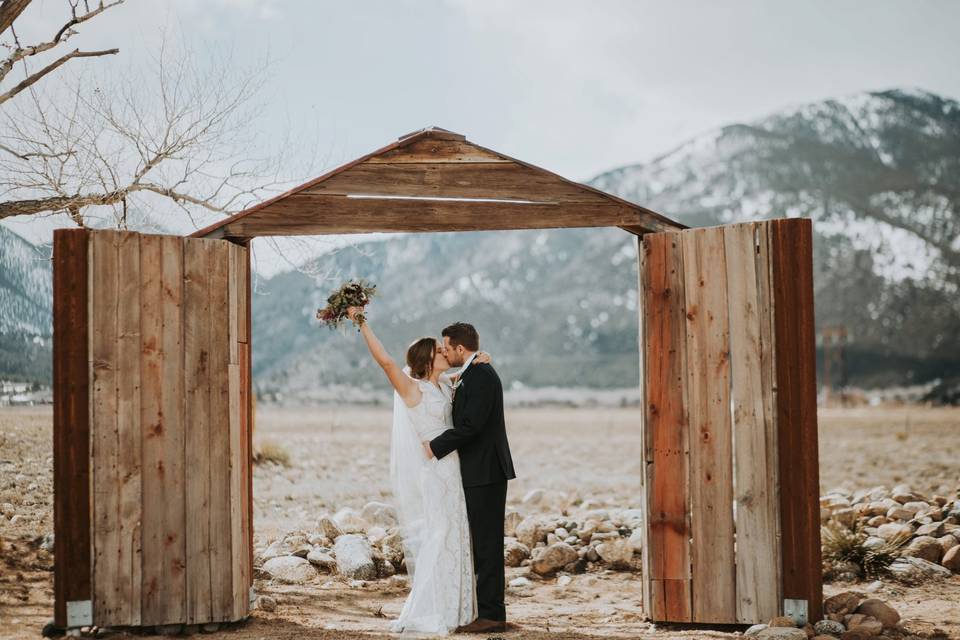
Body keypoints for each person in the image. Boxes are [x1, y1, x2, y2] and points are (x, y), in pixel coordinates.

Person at [346, 306, 491, 635]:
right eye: (439, 351)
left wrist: (480, 357)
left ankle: (458, 607)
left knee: (455, 535)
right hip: (436, 472)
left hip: (452, 470)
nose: (445, 352)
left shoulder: (442, 384)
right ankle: (433, 607)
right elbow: (385, 361)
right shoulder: (413, 389)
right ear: (427, 359)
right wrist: (361, 322)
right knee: (439, 536)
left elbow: (464, 369)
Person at [426, 322, 517, 634]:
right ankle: (489, 610)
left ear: (460, 349)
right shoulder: (471, 372)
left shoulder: (479, 375)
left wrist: (435, 447)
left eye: (447, 347)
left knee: (487, 544)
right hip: (480, 471)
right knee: (482, 542)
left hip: (486, 471)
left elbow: (471, 427)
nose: (445, 352)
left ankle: (492, 615)